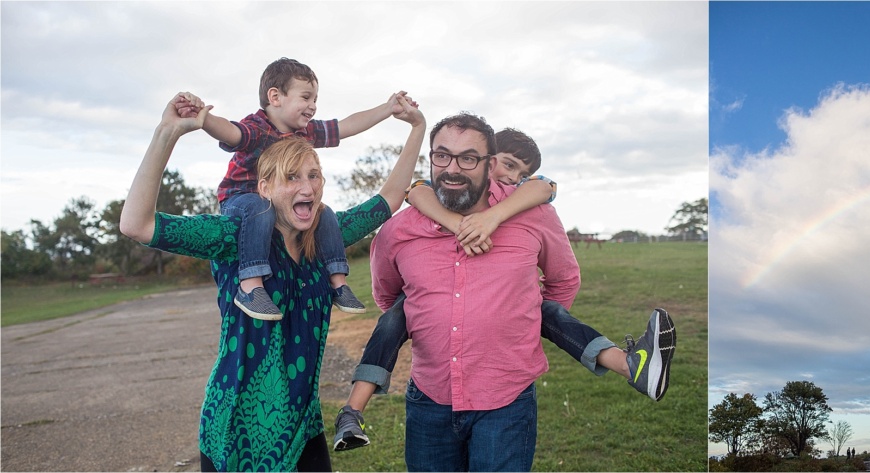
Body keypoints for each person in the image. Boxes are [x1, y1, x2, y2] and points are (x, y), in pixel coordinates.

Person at [120, 92, 425, 472]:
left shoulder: (325, 240)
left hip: (302, 425)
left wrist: (417, 127)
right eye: (291, 177)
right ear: (264, 188)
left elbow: (388, 200)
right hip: (238, 433)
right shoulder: (233, 237)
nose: (307, 188)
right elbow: (137, 224)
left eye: (313, 176)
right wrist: (167, 133)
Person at [331, 127, 676, 452]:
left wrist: (520, 318)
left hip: (505, 391)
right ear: (487, 159)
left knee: (546, 310)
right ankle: (353, 410)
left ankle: (630, 365)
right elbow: (416, 190)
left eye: (521, 174)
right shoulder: (431, 195)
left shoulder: (528, 206)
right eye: (508, 165)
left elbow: (545, 187)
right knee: (394, 316)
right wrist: (456, 228)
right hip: (431, 384)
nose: (513, 178)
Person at [175, 57, 413, 321]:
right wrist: (203, 117)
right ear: (275, 97)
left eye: (315, 99)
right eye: (306, 97)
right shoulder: (257, 128)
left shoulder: (306, 132)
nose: (313, 106)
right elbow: (230, 131)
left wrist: (387, 108)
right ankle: (251, 286)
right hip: (242, 201)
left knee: (325, 212)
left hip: (280, 204)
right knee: (259, 207)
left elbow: (346, 125)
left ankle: (337, 282)